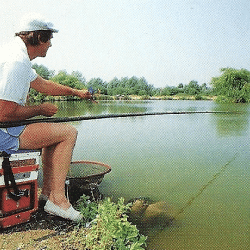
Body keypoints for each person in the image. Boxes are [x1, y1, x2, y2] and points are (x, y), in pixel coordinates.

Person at [0, 14, 92, 221]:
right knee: (68, 132)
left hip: (6, 127)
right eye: (49, 38)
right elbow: (3, 114)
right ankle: (57, 200)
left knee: (54, 132)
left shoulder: (15, 54)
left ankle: (47, 195)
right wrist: (39, 109)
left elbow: (43, 84)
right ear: (38, 38)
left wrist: (77, 92)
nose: (50, 44)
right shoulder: (15, 61)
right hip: (2, 132)